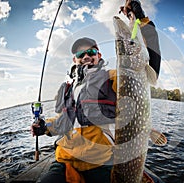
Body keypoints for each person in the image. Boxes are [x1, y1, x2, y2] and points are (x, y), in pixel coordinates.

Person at [31, 0, 161, 182]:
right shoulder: (66, 88)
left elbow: (152, 63)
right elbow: (64, 120)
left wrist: (140, 19)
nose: (86, 56)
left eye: (91, 52)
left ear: (98, 56)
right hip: (65, 159)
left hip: (101, 162)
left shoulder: (115, 77)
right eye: (80, 54)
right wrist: (45, 127)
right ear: (74, 60)